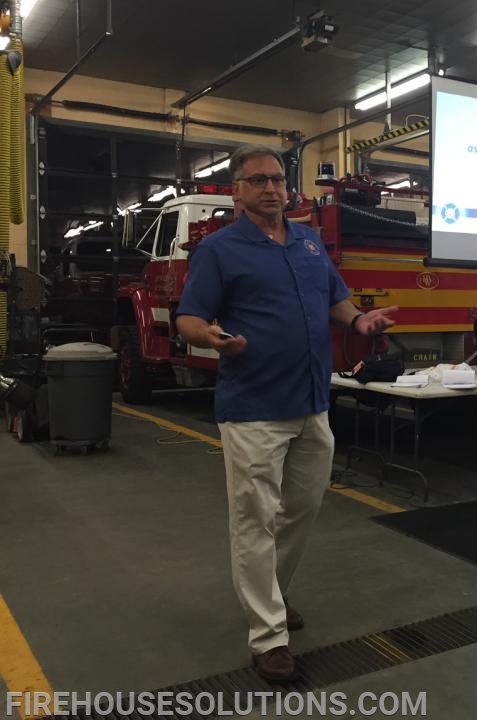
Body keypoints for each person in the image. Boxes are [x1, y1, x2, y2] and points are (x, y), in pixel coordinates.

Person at [176, 144, 397, 683]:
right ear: (237, 190)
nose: (271, 189)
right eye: (258, 181)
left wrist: (359, 323)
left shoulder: (308, 241)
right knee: (254, 520)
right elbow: (188, 317)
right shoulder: (221, 250)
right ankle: (268, 634)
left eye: (277, 180)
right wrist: (211, 336)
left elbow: (336, 302)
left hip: (311, 401)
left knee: (302, 508)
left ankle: (270, 595)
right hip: (253, 407)